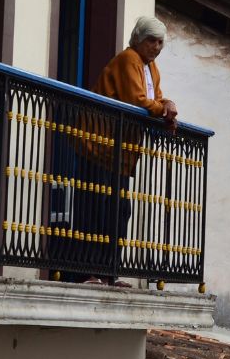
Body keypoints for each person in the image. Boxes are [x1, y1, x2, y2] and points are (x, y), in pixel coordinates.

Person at [71, 16, 178, 284]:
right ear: (138, 40)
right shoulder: (129, 59)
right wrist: (163, 110)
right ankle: (88, 272)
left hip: (119, 153)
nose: (156, 46)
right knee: (94, 208)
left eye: (160, 42)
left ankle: (109, 272)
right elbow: (137, 100)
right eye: (151, 40)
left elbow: (156, 98)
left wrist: (168, 104)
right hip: (98, 144)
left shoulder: (150, 68)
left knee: (118, 211)